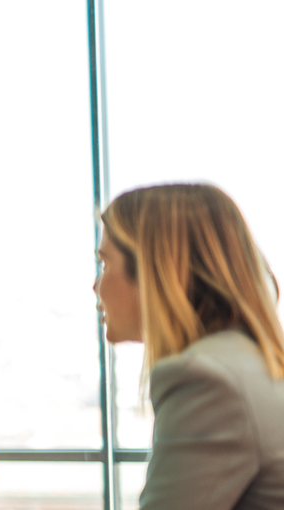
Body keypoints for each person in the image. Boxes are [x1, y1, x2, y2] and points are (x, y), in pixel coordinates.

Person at [94, 183, 284, 509]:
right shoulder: (247, 359)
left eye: (105, 264)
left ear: (154, 271)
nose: (96, 285)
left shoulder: (207, 379)